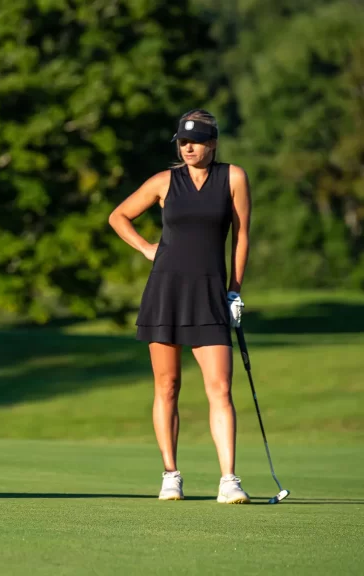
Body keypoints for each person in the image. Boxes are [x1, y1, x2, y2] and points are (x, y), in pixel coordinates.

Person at [108, 109, 252, 504]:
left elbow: (241, 237)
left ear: (214, 142)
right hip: (165, 292)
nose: (188, 147)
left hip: (209, 294)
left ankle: (229, 480)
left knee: (220, 388)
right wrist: (146, 248)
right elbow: (117, 216)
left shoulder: (233, 178)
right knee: (167, 385)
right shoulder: (163, 181)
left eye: (197, 140)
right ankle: (171, 474)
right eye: (182, 141)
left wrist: (235, 290)